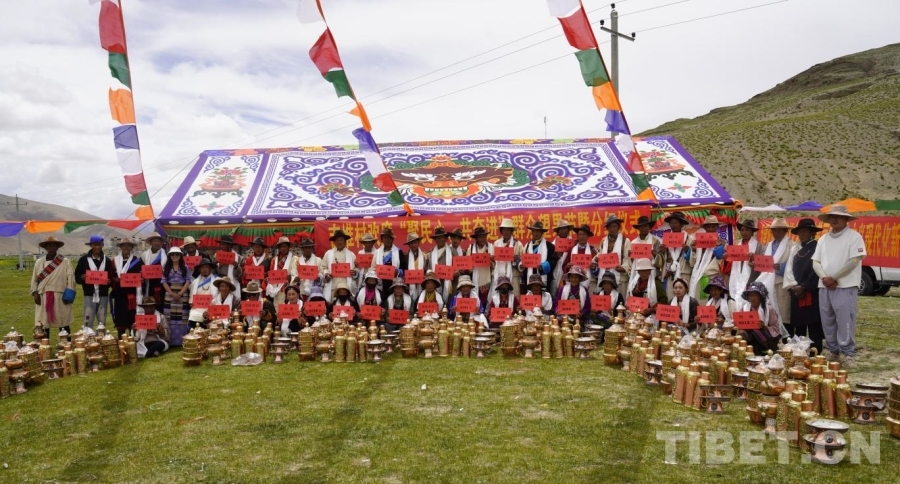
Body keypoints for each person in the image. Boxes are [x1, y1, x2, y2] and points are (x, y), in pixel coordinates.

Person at [813, 205, 865, 366]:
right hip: (824, 285)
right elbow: (815, 262)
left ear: (846, 219)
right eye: (832, 216)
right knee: (827, 320)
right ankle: (833, 351)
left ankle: (848, 353)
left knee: (845, 320)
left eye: (839, 216)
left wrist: (834, 277)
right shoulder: (823, 239)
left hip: (845, 285)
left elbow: (854, 260)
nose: (834, 219)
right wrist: (825, 278)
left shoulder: (854, 237)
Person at [783, 218, 825, 353]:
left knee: (813, 324)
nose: (802, 234)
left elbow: (817, 269)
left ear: (812, 232)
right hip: (796, 291)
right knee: (799, 324)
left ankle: (815, 352)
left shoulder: (817, 247)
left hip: (811, 291)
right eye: (800, 231)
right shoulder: (795, 249)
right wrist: (794, 286)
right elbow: (788, 269)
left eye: (805, 231)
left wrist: (804, 286)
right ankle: (799, 352)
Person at [31, 236, 76, 337]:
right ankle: (44, 344)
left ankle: (66, 344)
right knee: (43, 324)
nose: (51, 248)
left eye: (53, 245)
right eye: (49, 246)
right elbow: (34, 280)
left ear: (57, 247)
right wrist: (35, 293)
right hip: (43, 296)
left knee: (63, 322)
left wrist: (68, 296)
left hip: (60, 295)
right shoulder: (39, 262)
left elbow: (71, 279)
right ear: (45, 247)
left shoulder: (65, 261)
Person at [755, 218, 795, 329]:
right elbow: (764, 262)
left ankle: (786, 336)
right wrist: (756, 265)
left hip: (782, 283)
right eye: (774, 230)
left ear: (785, 231)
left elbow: (795, 265)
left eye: (779, 230)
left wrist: (781, 267)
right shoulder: (768, 245)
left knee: (783, 312)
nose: (776, 233)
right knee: (769, 312)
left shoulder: (792, 245)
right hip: (768, 283)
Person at [74, 234, 116, 330]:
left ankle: (101, 337)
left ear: (102, 245)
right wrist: (82, 277)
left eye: (99, 245)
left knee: (102, 321)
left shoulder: (107, 261)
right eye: (95, 245)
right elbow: (77, 276)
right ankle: (88, 337)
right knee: (87, 320)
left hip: (103, 294)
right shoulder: (83, 260)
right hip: (89, 294)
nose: (97, 247)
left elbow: (111, 277)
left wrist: (109, 282)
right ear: (91, 245)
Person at [688, 215, 727, 301]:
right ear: (705, 228)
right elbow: (692, 263)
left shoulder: (723, 243)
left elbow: (724, 265)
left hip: (714, 277)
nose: (710, 229)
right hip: (699, 276)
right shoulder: (698, 242)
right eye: (708, 227)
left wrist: (719, 251)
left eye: (713, 226)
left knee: (713, 302)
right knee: (699, 303)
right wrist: (694, 250)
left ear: (717, 227)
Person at [110, 237, 143, 339]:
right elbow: (110, 276)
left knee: (132, 318)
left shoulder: (137, 261)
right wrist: (115, 280)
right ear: (121, 247)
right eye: (124, 245)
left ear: (131, 248)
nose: (126, 247)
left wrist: (141, 279)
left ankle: (134, 339)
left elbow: (142, 275)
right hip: (120, 295)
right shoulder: (114, 261)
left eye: (128, 246)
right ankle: (121, 340)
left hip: (132, 295)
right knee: (120, 318)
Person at [728, 219, 765, 305]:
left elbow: (764, 263)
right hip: (737, 277)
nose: (744, 232)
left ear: (752, 232)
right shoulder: (737, 246)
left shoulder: (759, 246)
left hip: (752, 279)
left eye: (747, 230)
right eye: (742, 230)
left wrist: (755, 258)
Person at [740, 281, 781, 355]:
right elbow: (739, 324)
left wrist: (764, 327)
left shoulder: (769, 309)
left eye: (755, 295)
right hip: (749, 337)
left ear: (761, 296)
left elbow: (776, 328)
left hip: (765, 337)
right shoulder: (744, 309)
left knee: (756, 331)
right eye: (750, 296)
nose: (752, 298)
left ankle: (768, 350)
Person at [662, 212, 694, 300]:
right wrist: (662, 251)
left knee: (685, 298)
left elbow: (694, 260)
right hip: (670, 272)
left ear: (681, 224)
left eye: (676, 223)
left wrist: (688, 250)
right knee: (670, 297)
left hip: (683, 272)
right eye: (671, 223)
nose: (673, 225)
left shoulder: (689, 238)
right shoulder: (665, 239)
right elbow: (663, 258)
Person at [627, 258, 669, 325]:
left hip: (650, 316)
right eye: (642, 271)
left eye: (646, 271)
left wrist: (652, 309)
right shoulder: (634, 284)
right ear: (638, 272)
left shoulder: (656, 283)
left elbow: (664, 301)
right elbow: (630, 297)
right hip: (635, 314)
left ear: (650, 271)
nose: (644, 273)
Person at [519, 221, 558, 293]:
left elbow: (553, 261)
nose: (536, 233)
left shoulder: (549, 246)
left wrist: (543, 266)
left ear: (542, 232)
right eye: (534, 231)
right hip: (530, 278)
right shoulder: (527, 246)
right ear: (532, 232)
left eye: (538, 231)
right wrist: (521, 265)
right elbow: (523, 259)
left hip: (543, 277)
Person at [321, 229, 358, 304]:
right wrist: (326, 274)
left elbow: (356, 270)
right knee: (332, 305)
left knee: (347, 304)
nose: (339, 242)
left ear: (345, 241)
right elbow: (323, 267)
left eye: (341, 240)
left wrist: (355, 273)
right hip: (333, 284)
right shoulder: (328, 253)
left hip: (346, 286)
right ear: (334, 242)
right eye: (337, 240)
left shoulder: (351, 255)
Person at [598, 215, 632, 296]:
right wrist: (597, 259)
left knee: (620, 300)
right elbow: (600, 254)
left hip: (620, 277)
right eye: (610, 227)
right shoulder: (603, 241)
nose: (612, 229)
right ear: (607, 228)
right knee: (606, 300)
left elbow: (627, 258)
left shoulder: (625, 241)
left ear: (619, 227)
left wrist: (623, 268)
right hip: (605, 278)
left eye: (614, 226)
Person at [161, 246, 191, 329]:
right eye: (172, 254)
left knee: (183, 317)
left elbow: (188, 281)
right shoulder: (165, 267)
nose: (175, 256)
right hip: (169, 294)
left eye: (177, 254)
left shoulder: (185, 267)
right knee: (169, 316)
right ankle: (169, 335)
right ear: (169, 256)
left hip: (183, 294)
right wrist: (172, 294)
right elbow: (164, 281)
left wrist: (180, 294)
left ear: (180, 256)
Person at [492, 218, 523, 298]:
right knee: (499, 297)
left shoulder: (518, 244)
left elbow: (523, 263)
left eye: (508, 230)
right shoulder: (496, 244)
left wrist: (517, 260)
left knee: (514, 297)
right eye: (504, 230)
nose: (506, 232)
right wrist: (492, 259)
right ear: (501, 231)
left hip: (514, 275)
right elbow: (493, 263)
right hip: (499, 275)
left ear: (511, 231)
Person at [374, 228, 407, 301]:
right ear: (382, 239)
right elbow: (373, 268)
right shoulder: (377, 252)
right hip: (381, 283)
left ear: (392, 239)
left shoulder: (399, 252)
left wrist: (398, 271)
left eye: (389, 238)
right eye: (385, 238)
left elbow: (405, 268)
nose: (387, 240)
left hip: (394, 283)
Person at [629, 215, 663, 282]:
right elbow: (631, 263)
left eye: (645, 226)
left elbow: (660, 262)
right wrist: (631, 257)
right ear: (638, 228)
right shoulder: (633, 243)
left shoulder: (655, 241)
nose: (643, 228)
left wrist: (655, 255)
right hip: (637, 274)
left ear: (649, 227)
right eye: (641, 226)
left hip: (652, 273)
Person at [267, 236, 297, 305]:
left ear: (288, 247)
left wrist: (291, 277)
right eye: (281, 247)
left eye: (285, 246)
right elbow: (271, 272)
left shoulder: (294, 259)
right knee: (276, 307)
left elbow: (295, 274)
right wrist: (269, 278)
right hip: (276, 288)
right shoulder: (274, 260)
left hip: (288, 288)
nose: (283, 248)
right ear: (279, 248)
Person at [567, 224, 598, 291]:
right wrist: (568, 266)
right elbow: (565, 266)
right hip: (574, 281)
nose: (582, 237)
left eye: (584, 234)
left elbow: (599, 269)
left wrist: (594, 268)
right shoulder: (572, 249)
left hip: (590, 283)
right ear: (577, 236)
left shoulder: (593, 250)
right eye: (580, 234)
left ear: (588, 236)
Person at [187, 258, 216, 330]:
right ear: (199, 269)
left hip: (211, 309)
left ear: (210, 268)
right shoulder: (194, 282)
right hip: (197, 310)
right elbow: (191, 298)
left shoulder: (217, 281)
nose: (204, 269)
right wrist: (191, 303)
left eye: (206, 267)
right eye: (202, 267)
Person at [467, 227, 494, 303]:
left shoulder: (491, 247)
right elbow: (467, 266)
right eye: (480, 237)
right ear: (476, 239)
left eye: (484, 237)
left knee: (486, 301)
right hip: (475, 279)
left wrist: (492, 262)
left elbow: (495, 265)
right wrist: (471, 265)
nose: (483, 239)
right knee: (476, 301)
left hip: (487, 279)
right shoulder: (471, 248)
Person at [141, 232, 166, 313]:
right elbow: (140, 268)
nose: (157, 243)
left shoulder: (166, 255)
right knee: (149, 306)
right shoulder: (144, 255)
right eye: (155, 241)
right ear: (151, 242)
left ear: (161, 243)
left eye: (158, 241)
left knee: (161, 305)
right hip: (148, 285)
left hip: (162, 284)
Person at [550, 219, 575, 298]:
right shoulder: (552, 245)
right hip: (556, 271)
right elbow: (550, 260)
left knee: (566, 294)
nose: (563, 231)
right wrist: (556, 256)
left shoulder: (573, 244)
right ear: (558, 231)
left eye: (565, 228)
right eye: (561, 229)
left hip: (568, 272)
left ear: (568, 230)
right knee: (554, 293)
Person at [428, 227, 454, 301]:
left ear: (445, 239)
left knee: (449, 301)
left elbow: (457, 265)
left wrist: (456, 272)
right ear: (435, 240)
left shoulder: (452, 251)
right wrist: (430, 272)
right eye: (437, 238)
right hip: (436, 281)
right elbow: (429, 267)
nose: (439, 240)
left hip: (450, 281)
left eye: (442, 237)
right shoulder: (431, 253)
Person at [214, 234, 243, 300]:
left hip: (233, 282)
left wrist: (236, 266)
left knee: (233, 302)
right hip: (221, 283)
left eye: (224, 244)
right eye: (221, 244)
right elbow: (214, 272)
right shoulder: (217, 256)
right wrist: (215, 264)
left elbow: (240, 274)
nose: (221, 246)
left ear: (230, 245)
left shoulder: (238, 258)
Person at [403, 232, 426, 302]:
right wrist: (404, 276)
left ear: (418, 243)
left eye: (415, 243)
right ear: (408, 245)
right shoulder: (405, 257)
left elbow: (427, 269)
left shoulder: (425, 256)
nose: (413, 245)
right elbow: (403, 270)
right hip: (409, 285)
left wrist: (425, 275)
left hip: (422, 284)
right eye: (411, 243)